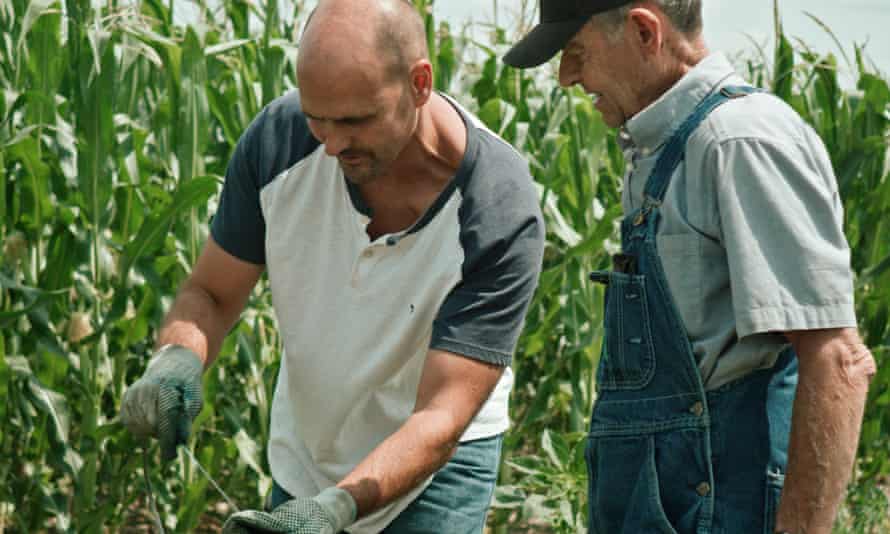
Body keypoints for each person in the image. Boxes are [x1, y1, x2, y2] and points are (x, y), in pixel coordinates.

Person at [120, 0, 545, 532]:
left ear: (419, 83)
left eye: (354, 121)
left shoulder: (496, 209)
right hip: (309, 454)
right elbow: (212, 292)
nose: (332, 144)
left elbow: (440, 417)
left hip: (438, 472)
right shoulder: (278, 144)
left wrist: (331, 512)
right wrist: (177, 358)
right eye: (316, 118)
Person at [504, 1, 876, 533]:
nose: (567, 77)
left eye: (576, 51)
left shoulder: (739, 141)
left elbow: (836, 360)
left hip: (722, 506)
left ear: (642, 30)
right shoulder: (658, 146)